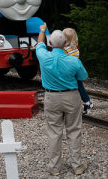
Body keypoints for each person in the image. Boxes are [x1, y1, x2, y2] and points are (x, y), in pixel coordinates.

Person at [36, 23, 88, 176]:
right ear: (65, 43)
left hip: (51, 97)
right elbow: (83, 78)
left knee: (54, 132)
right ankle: (77, 165)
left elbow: (40, 43)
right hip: (71, 97)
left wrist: (42, 31)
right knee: (74, 131)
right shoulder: (74, 61)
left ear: (50, 43)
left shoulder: (44, 56)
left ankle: (54, 167)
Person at [63, 28, 93, 114]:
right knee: (80, 86)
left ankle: (85, 103)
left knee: (73, 87)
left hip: (70, 71)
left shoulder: (65, 49)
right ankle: (87, 102)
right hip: (76, 69)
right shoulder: (75, 48)